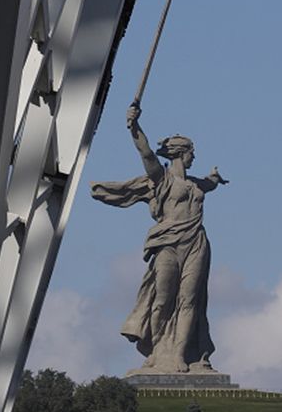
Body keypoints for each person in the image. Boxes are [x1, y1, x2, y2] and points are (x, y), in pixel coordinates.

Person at [90, 105, 228, 373]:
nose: (194, 156)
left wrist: (214, 178)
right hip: (168, 243)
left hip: (196, 243)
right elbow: (146, 153)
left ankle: (179, 355)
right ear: (180, 153)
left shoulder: (196, 184)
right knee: (162, 299)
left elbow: (209, 184)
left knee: (189, 299)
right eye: (191, 152)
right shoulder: (162, 179)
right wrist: (134, 127)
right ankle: (156, 351)